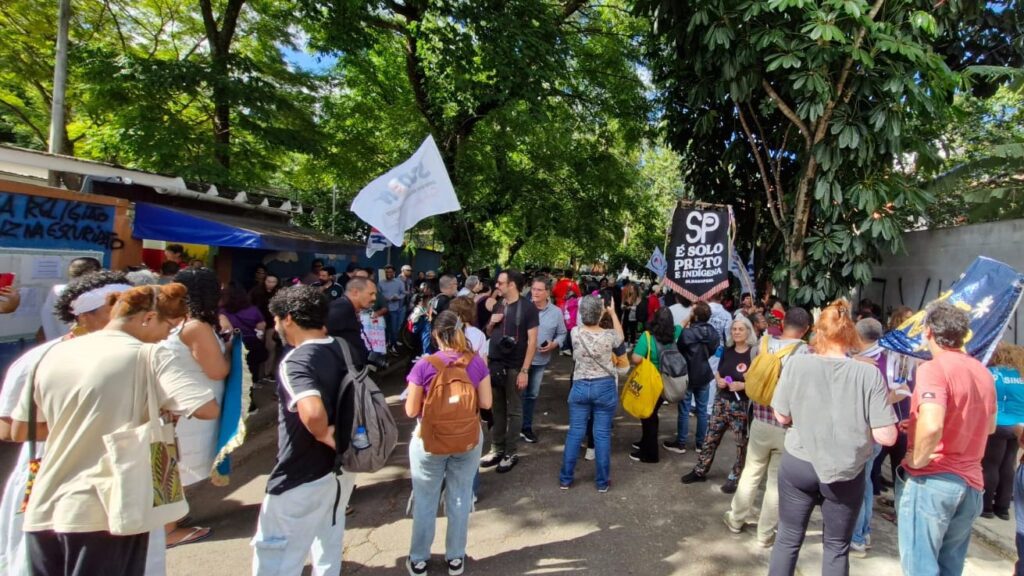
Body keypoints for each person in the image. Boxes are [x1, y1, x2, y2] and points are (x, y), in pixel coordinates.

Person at [11, 283, 220, 575]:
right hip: (112, 505)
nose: (167, 337)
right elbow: (206, 408)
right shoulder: (149, 356)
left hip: (46, 503)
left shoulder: (51, 355)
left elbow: (20, 431)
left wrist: (82, 425)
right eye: (169, 327)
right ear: (147, 318)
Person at [0, 271, 132, 576]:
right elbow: (9, 429)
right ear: (84, 316)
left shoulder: (135, 355)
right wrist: (89, 426)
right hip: (53, 477)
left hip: (120, 480)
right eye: (116, 307)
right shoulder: (43, 358)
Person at [768, 299, 897, 576]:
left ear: (818, 333)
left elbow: (781, 416)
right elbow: (886, 436)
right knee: (837, 547)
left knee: (788, 538)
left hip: (799, 463)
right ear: (850, 334)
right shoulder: (869, 374)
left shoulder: (796, 365)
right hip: (845, 470)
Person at [251, 285, 356, 576]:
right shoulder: (341, 347)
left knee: (278, 556)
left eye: (275, 319)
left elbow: (312, 412)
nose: (275, 325)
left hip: (301, 474)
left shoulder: (296, 361)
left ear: (288, 319)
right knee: (328, 543)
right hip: (341, 470)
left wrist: (324, 434)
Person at [897, 301, 997, 575]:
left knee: (920, 566)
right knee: (950, 566)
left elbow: (932, 426)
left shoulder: (933, 369)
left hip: (935, 479)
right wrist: (918, 423)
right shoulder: (983, 372)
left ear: (927, 332)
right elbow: (988, 427)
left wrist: (917, 460)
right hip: (971, 485)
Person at [403, 311, 492, 576]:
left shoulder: (424, 365)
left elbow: (410, 411)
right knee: (459, 497)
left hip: (429, 441)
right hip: (467, 439)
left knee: (425, 499)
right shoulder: (476, 363)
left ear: (435, 335)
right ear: (461, 330)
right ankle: (455, 557)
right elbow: (486, 403)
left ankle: (419, 559)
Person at [724, 307, 812, 548]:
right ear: (805, 329)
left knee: (751, 471)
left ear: (783, 324)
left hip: (760, 420)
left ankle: (736, 519)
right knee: (774, 483)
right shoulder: (804, 352)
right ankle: (765, 534)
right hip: (787, 427)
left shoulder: (762, 344)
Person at [163, 267, 231, 547]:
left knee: (178, 465)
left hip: (190, 404)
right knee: (179, 467)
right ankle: (166, 530)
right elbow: (216, 370)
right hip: (194, 408)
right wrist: (230, 354)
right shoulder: (195, 327)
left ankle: (171, 521)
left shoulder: (185, 324)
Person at [681, 315, 757, 492]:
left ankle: (735, 476)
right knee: (710, 438)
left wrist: (743, 385)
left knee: (740, 443)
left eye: (740, 329)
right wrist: (719, 380)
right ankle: (700, 470)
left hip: (741, 405)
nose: (736, 332)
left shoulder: (754, 353)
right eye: (734, 329)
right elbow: (718, 371)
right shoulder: (727, 350)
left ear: (748, 331)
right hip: (721, 401)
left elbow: (759, 381)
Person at [559, 295, 623, 492]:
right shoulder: (609, 335)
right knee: (602, 434)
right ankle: (602, 482)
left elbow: (584, 320)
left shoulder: (575, 333)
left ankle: (566, 479)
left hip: (580, 385)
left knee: (575, 433)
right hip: (604, 386)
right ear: (600, 313)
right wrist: (611, 313)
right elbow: (621, 338)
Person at [482, 270, 539, 473]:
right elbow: (488, 332)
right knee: (496, 409)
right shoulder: (500, 304)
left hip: (515, 366)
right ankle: (496, 448)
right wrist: (492, 322)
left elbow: (532, 341)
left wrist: (525, 370)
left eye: (501, 283)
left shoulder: (528, 308)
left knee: (515, 410)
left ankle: (510, 452)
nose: (497, 286)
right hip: (496, 364)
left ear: (512, 284)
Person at [849, 317, 890, 557]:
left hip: (864, 432)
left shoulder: (868, 363)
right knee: (865, 484)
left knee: (857, 487)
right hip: (877, 432)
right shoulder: (889, 359)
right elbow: (902, 391)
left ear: (858, 336)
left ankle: (857, 537)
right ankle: (863, 532)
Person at [663, 302, 719, 455]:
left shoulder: (687, 333)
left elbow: (679, 348)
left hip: (687, 373)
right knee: (702, 410)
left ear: (694, 315)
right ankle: (700, 444)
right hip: (704, 373)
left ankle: (681, 443)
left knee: (684, 409)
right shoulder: (712, 332)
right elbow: (714, 348)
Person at [630, 307, 681, 463]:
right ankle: (645, 442)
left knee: (649, 416)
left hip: (651, 382)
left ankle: (650, 453)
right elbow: (682, 324)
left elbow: (636, 359)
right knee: (650, 414)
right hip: (667, 380)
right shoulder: (676, 332)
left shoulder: (647, 336)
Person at [521, 276, 567, 444]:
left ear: (548, 293)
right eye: (533, 289)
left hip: (540, 361)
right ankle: (512, 428)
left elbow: (562, 333)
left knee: (532, 395)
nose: (535, 293)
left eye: (539, 290)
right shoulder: (523, 308)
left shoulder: (556, 312)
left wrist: (555, 344)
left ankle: (526, 427)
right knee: (517, 394)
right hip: (520, 360)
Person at [983, 343, 1024, 520]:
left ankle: (986, 507)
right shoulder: (1021, 375)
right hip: (1019, 425)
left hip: (998, 423)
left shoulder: (993, 373)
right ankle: (1003, 508)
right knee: (1009, 465)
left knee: (991, 465)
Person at [39, 257, 101, 340]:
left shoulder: (56, 290)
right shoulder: (91, 293)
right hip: (80, 345)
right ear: (94, 272)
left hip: (55, 344)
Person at [219, 282, 268, 382]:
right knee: (251, 372)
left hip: (233, 346)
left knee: (234, 375)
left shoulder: (221, 311)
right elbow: (261, 328)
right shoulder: (254, 310)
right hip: (252, 345)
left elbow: (225, 330)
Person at [326, 277, 376, 368]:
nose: (374, 298)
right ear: (355, 292)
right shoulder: (341, 308)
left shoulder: (346, 307)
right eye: (371, 294)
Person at [380, 265, 408, 350]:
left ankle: (393, 344)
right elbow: (377, 294)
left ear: (394, 273)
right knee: (385, 328)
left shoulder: (399, 282)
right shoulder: (381, 282)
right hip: (383, 310)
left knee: (394, 328)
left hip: (394, 309)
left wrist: (398, 298)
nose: (388, 274)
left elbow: (404, 293)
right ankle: (386, 344)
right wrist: (383, 298)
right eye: (387, 272)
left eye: (390, 272)